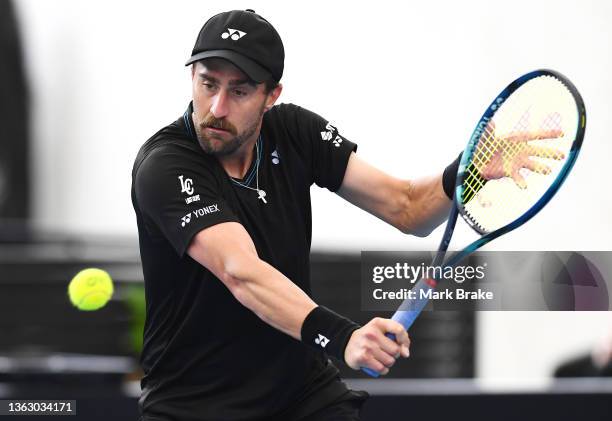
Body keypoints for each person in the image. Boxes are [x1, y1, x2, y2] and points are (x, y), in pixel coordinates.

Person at [131, 9, 536, 421]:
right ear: (192, 76)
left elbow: (407, 207)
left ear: (271, 96)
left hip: (299, 394)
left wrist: (470, 169)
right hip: (194, 406)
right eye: (208, 83)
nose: (217, 106)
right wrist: (344, 338)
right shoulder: (166, 165)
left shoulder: (295, 133)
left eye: (239, 91)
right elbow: (240, 270)